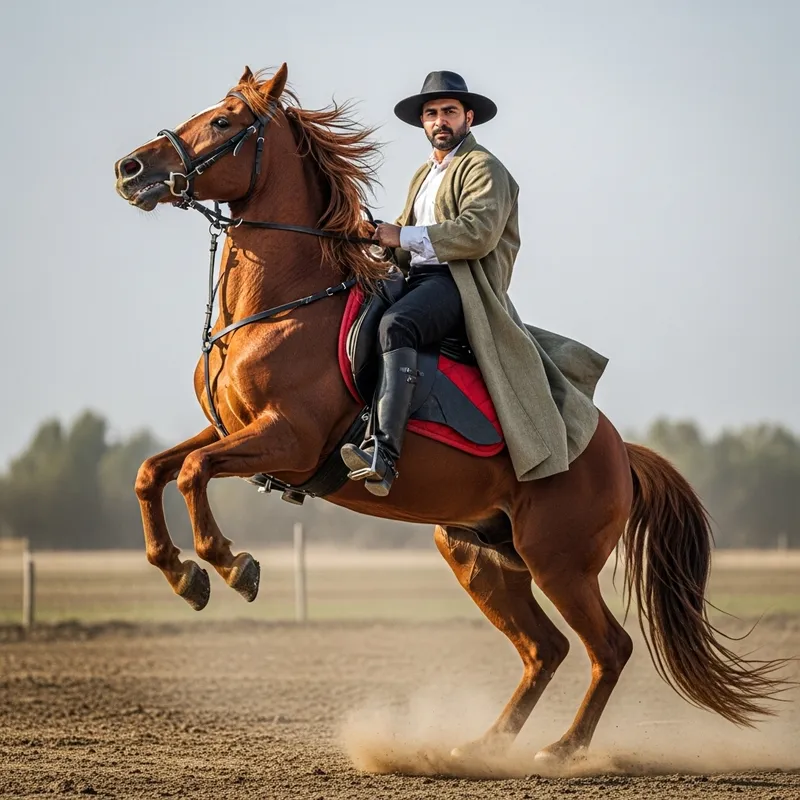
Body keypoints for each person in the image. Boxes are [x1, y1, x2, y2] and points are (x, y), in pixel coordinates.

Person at [341, 70, 606, 497]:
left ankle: (383, 454)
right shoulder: (422, 175)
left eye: (448, 112)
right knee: (355, 314)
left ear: (469, 118)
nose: (439, 121)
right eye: (431, 113)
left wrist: (400, 235)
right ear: (423, 123)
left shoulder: (484, 168)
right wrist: (375, 237)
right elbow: (406, 243)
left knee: (397, 325)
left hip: (463, 286)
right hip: (421, 278)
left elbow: (477, 233)